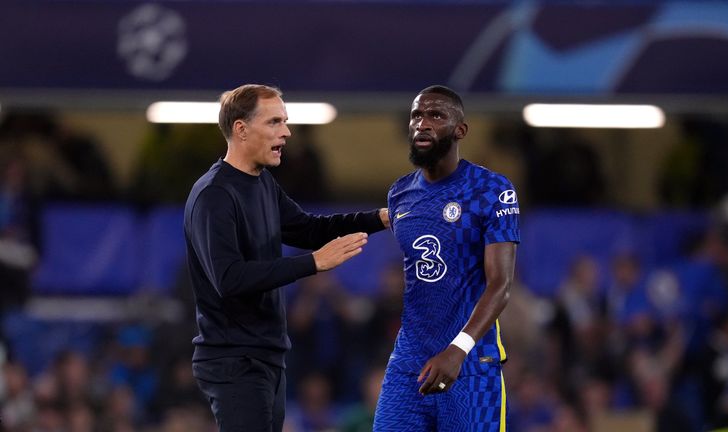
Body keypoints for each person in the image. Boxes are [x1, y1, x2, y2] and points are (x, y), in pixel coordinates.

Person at [183, 84, 389, 432]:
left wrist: (381, 218)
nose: (287, 132)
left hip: (268, 354)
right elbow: (229, 279)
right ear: (241, 129)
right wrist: (312, 264)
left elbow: (308, 229)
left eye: (285, 121)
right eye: (275, 122)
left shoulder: (262, 182)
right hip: (234, 358)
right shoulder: (214, 195)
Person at [373, 85, 520, 431]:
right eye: (416, 115)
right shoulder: (400, 193)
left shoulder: (492, 190)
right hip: (409, 363)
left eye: (436, 115)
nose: (422, 123)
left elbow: (501, 285)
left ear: (460, 130)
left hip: (470, 363)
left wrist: (458, 349)